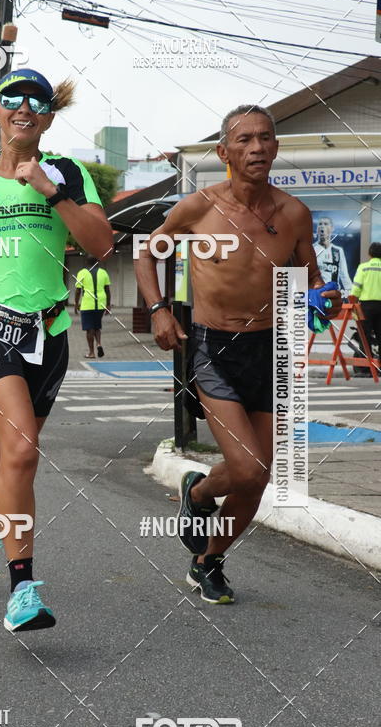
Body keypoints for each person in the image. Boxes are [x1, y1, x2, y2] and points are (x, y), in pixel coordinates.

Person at [0, 68, 112, 632]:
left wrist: (50, 192)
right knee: (25, 450)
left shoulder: (68, 173)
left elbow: (101, 244)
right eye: (12, 100)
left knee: (13, 449)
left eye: (36, 101)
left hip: (49, 334)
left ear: (48, 117)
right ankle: (23, 590)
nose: (23, 108)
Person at [135, 104, 341, 604]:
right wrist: (161, 311)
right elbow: (147, 253)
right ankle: (201, 493)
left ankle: (208, 558)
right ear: (224, 152)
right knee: (249, 469)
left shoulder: (294, 213)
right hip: (213, 347)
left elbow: (311, 277)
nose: (257, 148)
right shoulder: (198, 208)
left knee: (259, 477)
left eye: (266, 138)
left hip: (272, 348)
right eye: (245, 140)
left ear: (276, 147)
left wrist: (323, 296)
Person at [350, 242, 381, 371]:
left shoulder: (364, 267)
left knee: (364, 336)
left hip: (366, 307)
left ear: (369, 254)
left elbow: (356, 288)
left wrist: (352, 301)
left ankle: (365, 369)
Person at [74, 256, 111, 358]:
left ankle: (91, 352)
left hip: (87, 304)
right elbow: (107, 290)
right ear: (97, 262)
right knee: (97, 326)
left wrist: (76, 304)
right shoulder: (103, 272)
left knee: (89, 329)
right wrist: (108, 304)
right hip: (101, 304)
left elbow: (78, 290)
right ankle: (98, 343)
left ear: (86, 262)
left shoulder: (82, 273)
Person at [314, 216, 351, 292]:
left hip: (333, 293)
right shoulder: (311, 249)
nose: (322, 226)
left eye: (325, 224)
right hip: (316, 292)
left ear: (332, 228)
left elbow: (344, 275)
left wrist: (351, 292)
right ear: (317, 229)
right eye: (320, 224)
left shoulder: (338, 251)